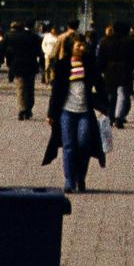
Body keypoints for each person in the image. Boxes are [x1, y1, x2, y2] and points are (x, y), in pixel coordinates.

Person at [45, 30, 106, 194]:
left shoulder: (89, 63)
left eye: (83, 44)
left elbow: (100, 84)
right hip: (67, 112)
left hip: (85, 111)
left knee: (84, 144)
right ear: (71, 47)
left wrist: (106, 107)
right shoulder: (63, 64)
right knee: (69, 146)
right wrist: (51, 113)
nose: (82, 47)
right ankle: (69, 180)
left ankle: (81, 177)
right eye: (79, 45)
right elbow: (56, 90)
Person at [98, 19, 134, 127]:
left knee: (111, 94)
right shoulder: (131, 41)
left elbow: (101, 57)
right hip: (125, 69)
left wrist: (101, 69)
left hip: (110, 70)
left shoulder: (105, 41)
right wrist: (132, 66)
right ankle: (119, 116)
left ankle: (110, 115)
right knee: (122, 93)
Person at [5, 20, 44, 119]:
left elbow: (9, 51)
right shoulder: (35, 37)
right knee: (30, 88)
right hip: (31, 65)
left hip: (18, 65)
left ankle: (21, 108)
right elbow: (39, 53)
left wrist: (9, 63)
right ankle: (29, 109)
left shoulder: (15, 36)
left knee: (20, 88)